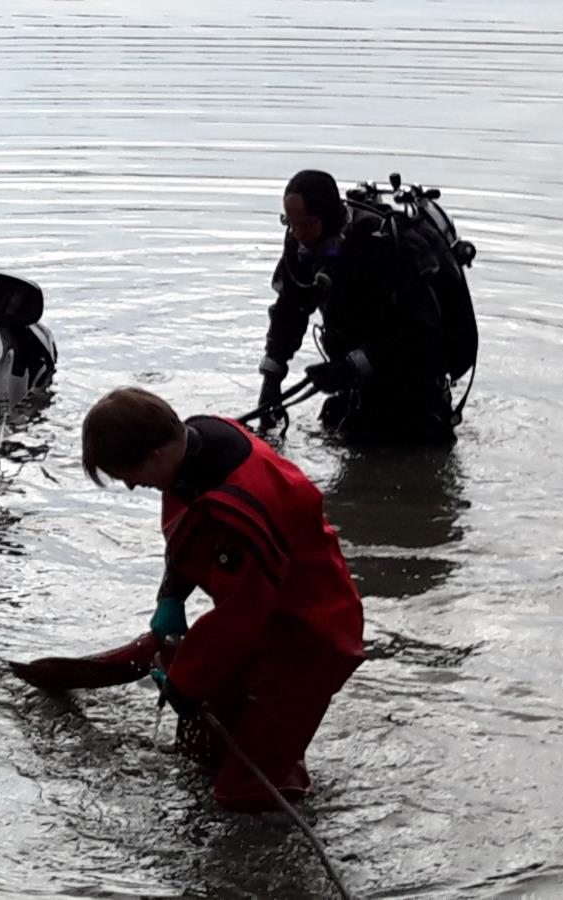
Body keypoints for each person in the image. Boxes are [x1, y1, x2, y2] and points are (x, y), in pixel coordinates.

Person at [80, 386, 365, 811]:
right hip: (265, 621)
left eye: (128, 475)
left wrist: (183, 685)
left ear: (156, 455)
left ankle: (268, 833)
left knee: (247, 786)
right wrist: (170, 598)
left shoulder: (239, 508)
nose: (131, 487)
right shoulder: (196, 444)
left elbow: (240, 616)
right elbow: (188, 537)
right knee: (206, 749)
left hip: (311, 639)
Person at [258, 169, 456, 443]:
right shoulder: (301, 245)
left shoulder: (380, 246)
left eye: (306, 224)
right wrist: (272, 377)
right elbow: (289, 310)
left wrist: (350, 368)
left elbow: (422, 332)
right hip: (356, 385)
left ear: (328, 219)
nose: (297, 234)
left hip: (412, 388)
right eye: (289, 223)